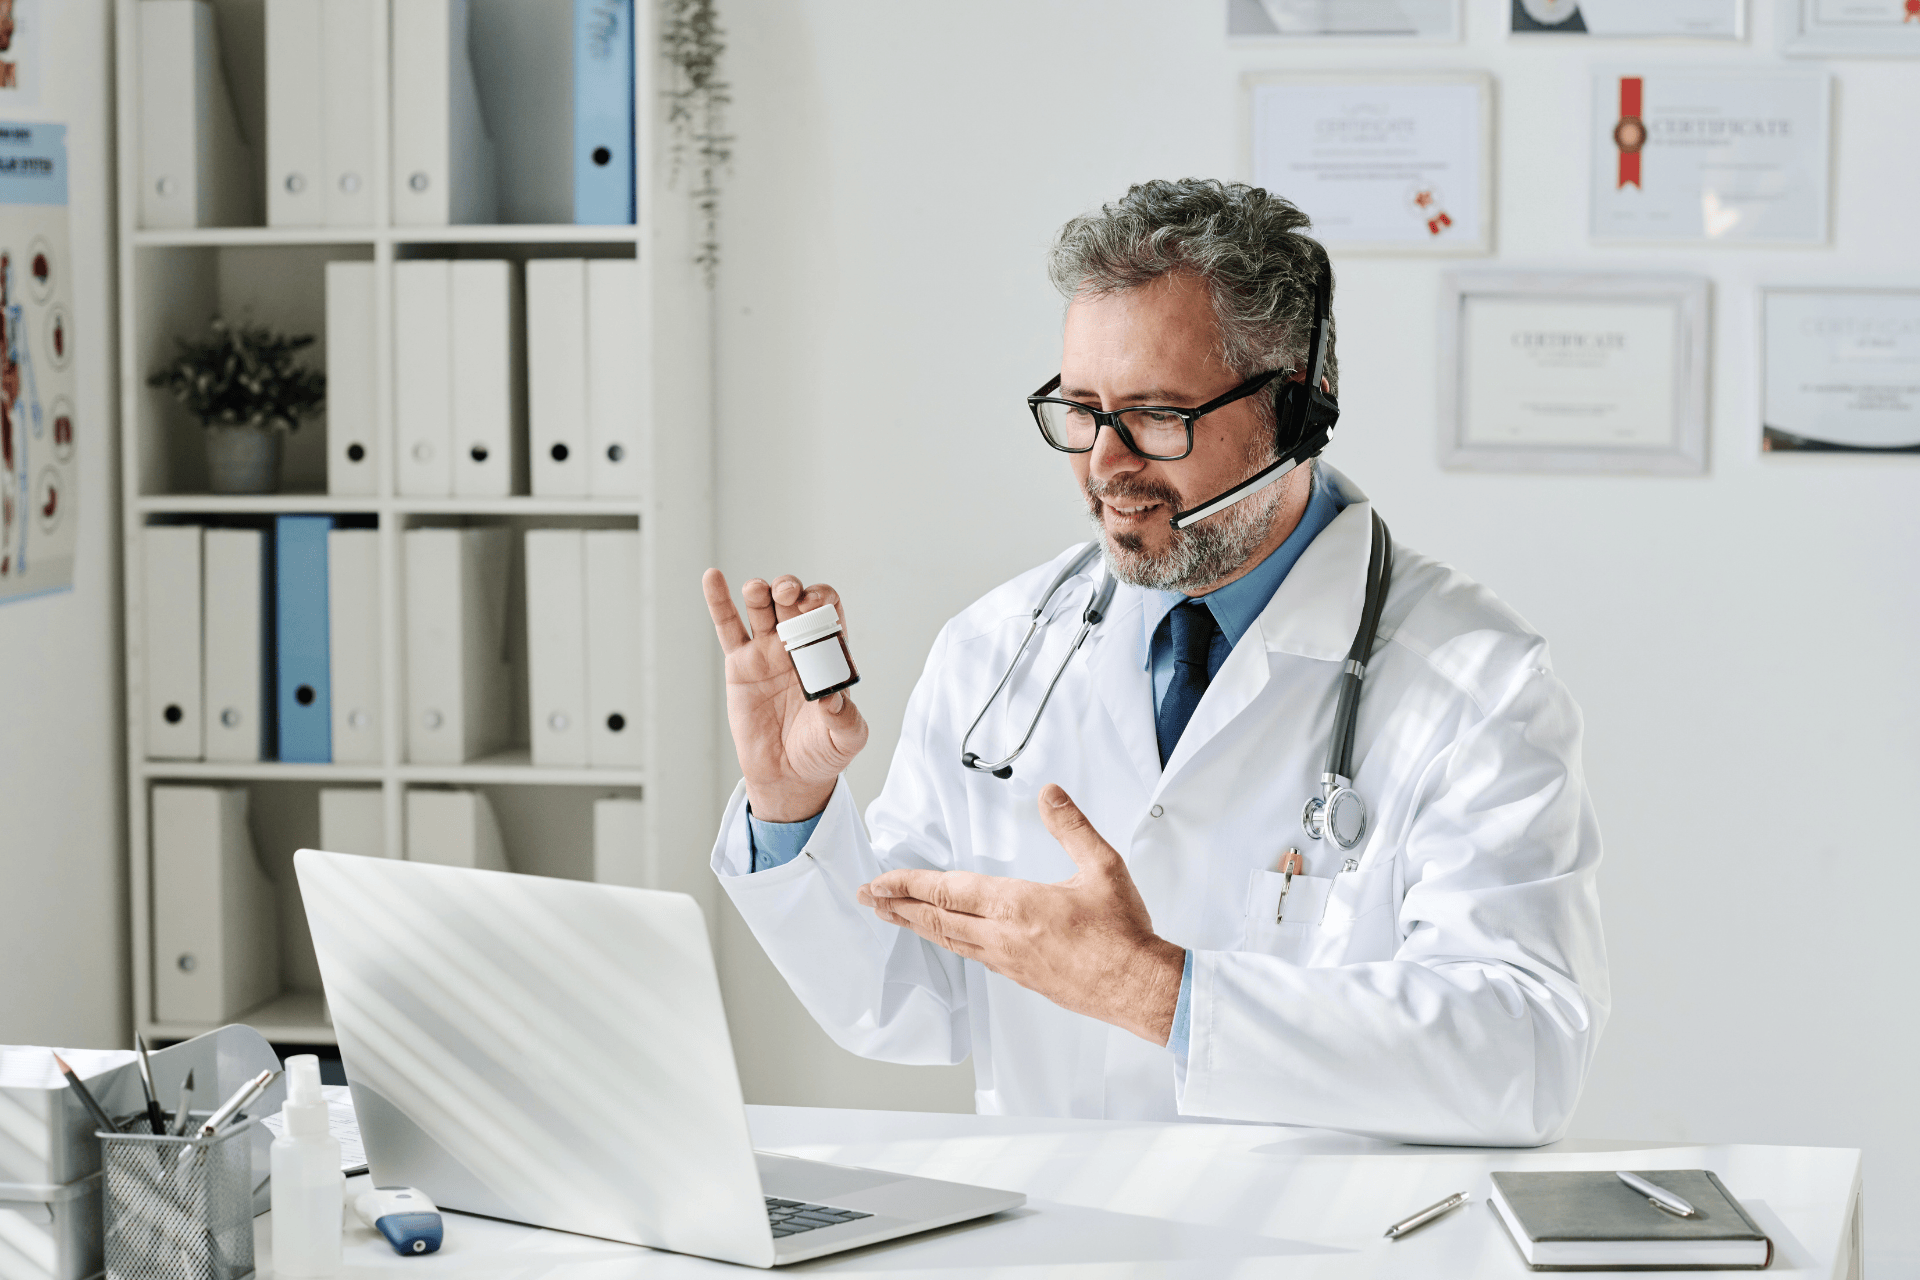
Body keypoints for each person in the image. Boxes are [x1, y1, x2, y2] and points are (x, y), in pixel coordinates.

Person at [701, 179, 1608, 1146]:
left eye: (1155, 416)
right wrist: (790, 807)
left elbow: (1525, 1055)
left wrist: (1159, 994)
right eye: (1082, 411)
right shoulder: (999, 650)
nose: (1104, 463)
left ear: (1299, 411)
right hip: (1060, 1236)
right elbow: (907, 998)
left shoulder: (1477, 684)